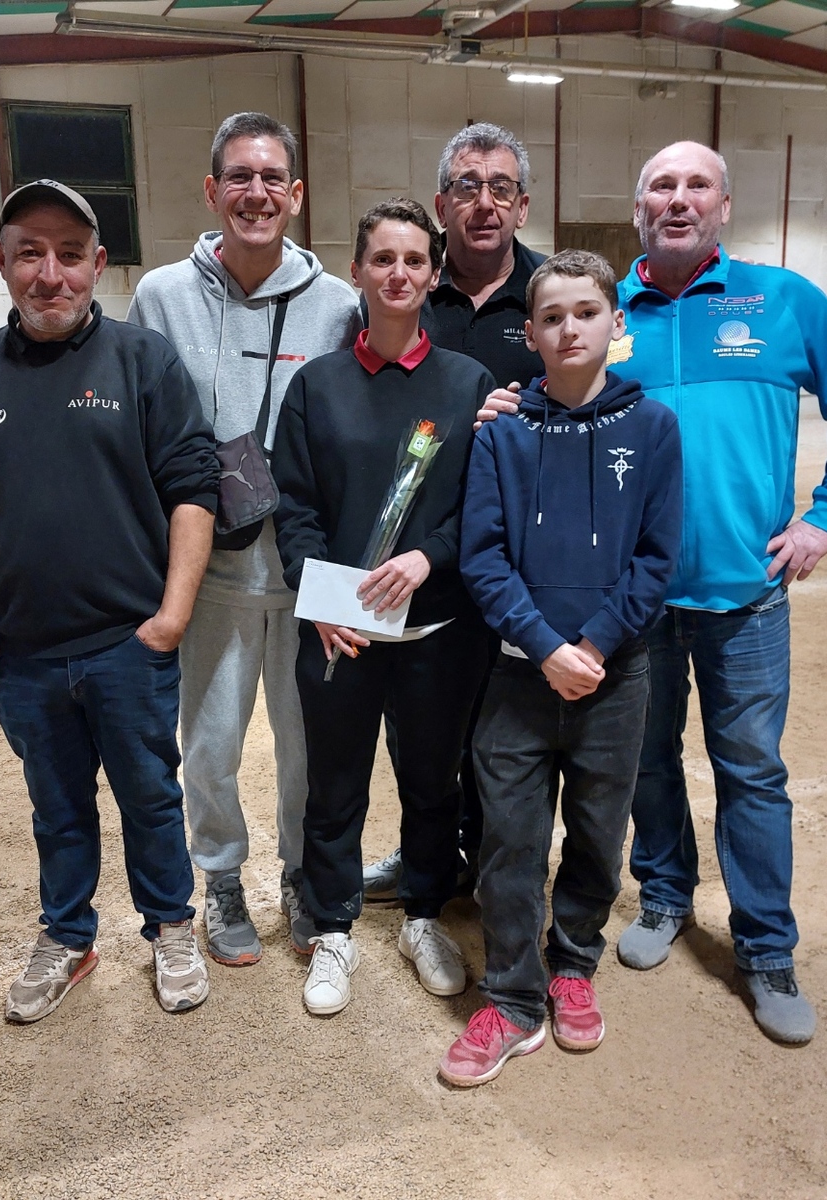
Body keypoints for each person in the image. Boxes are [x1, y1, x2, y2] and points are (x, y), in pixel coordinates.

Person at [479, 142, 827, 1045]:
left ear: (724, 205)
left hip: (745, 595)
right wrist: (504, 406)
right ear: (638, 211)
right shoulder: (606, 308)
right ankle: (665, 895)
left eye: (697, 185)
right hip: (631, 607)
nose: (678, 199)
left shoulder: (780, 301)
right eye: (660, 187)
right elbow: (557, 393)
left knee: (752, 772)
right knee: (646, 767)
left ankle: (766, 947)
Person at [0, 179, 219, 1023]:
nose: (51, 275)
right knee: (58, 807)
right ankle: (70, 937)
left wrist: (172, 617)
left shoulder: (143, 362)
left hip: (128, 643)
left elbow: (194, 488)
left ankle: (170, 927)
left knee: (151, 798)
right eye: (31, 254)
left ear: (99, 263)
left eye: (70, 255)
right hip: (26, 651)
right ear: (2, 262)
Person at [440, 250, 682, 1087]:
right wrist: (544, 646)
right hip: (518, 675)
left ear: (617, 323)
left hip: (615, 678)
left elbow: (656, 558)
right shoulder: (502, 432)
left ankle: (573, 964)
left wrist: (597, 646)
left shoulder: (654, 427)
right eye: (551, 317)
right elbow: (482, 557)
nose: (569, 328)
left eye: (586, 312)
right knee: (508, 839)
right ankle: (512, 998)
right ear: (531, 333)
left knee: (598, 833)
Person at [128, 113, 362, 967]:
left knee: (308, 750)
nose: (255, 193)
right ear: (211, 190)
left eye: (271, 178)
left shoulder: (340, 306)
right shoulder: (160, 297)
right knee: (211, 746)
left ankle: (300, 873)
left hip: (308, 578)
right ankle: (222, 878)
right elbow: (137, 433)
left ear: (295, 194)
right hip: (210, 576)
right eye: (238, 176)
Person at [272, 199, 497, 1016]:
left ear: (433, 275)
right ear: (358, 271)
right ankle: (332, 924)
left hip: (437, 627)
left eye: (414, 261)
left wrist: (427, 555)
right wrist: (320, 603)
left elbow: (482, 503)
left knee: (433, 781)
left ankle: (425, 913)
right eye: (382, 260)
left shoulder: (468, 384)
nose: (398, 274)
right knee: (334, 785)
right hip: (341, 630)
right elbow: (294, 507)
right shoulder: (316, 385)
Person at [363, 121, 547, 904]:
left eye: (500, 188)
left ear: (522, 205)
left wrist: (533, 411)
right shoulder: (407, 286)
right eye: (467, 187)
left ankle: (498, 868)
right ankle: (428, 856)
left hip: (521, 559)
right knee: (418, 730)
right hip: (423, 558)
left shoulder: (551, 295)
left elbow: (599, 395)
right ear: (442, 204)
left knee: (506, 730)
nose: (484, 202)